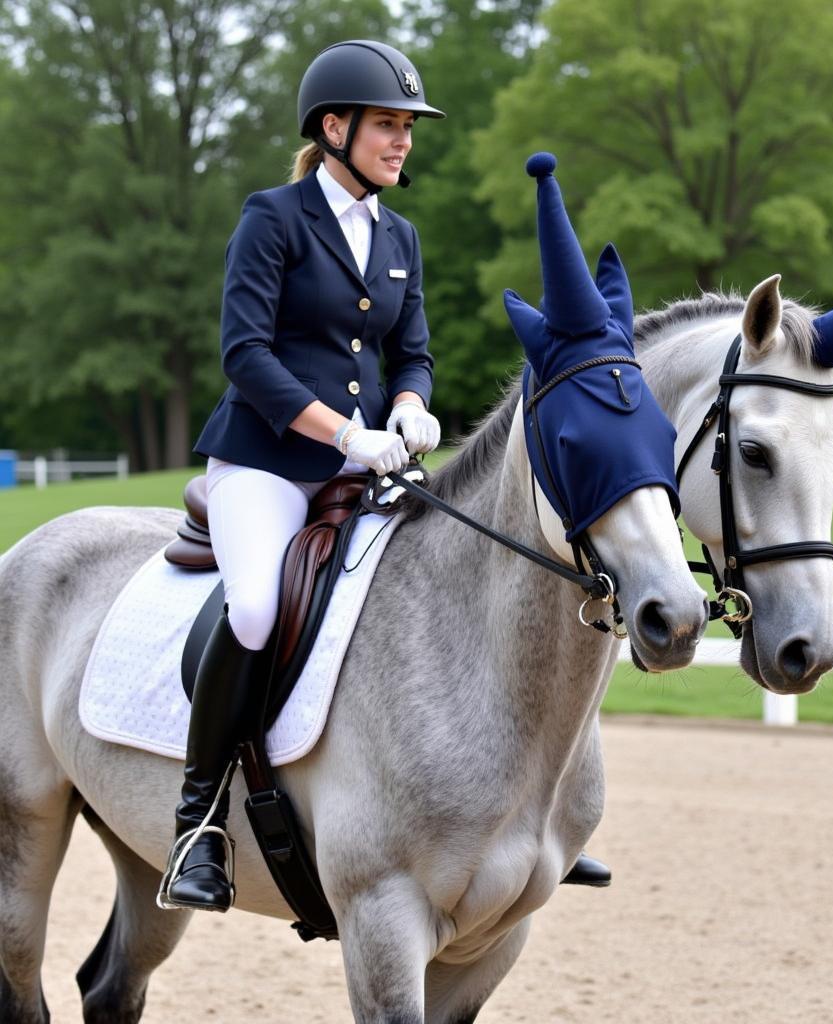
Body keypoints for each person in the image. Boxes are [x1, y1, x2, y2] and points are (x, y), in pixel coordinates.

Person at [157, 39, 445, 912]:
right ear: (335, 127)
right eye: (388, 126)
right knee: (253, 608)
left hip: (370, 463)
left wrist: (409, 407)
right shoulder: (273, 217)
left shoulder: (400, 235)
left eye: (406, 127)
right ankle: (197, 822)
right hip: (268, 462)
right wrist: (341, 435)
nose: (402, 142)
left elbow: (414, 352)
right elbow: (244, 354)